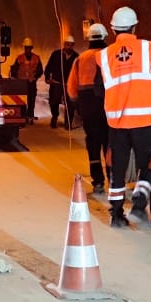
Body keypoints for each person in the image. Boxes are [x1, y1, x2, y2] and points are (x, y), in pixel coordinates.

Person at [91, 6, 151, 228]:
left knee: (117, 168)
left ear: (113, 29)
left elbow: (97, 89)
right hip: (145, 121)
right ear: (135, 27)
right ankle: (140, 202)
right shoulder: (147, 49)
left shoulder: (104, 56)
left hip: (117, 123)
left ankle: (116, 214)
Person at [66, 22, 112, 191]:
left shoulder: (80, 59)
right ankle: (113, 179)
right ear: (105, 36)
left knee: (93, 143)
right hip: (109, 107)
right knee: (109, 143)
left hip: (88, 108)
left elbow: (71, 88)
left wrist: (78, 106)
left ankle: (98, 182)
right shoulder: (110, 55)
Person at [42, 35, 79, 129]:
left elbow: (79, 71)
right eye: (67, 45)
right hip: (56, 82)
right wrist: (47, 76)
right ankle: (54, 117)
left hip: (69, 84)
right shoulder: (56, 54)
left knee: (70, 104)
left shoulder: (76, 57)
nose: (69, 47)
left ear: (73, 45)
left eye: (71, 45)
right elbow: (49, 66)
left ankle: (68, 123)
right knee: (54, 101)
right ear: (64, 45)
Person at [8, 38, 44, 122]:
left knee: (31, 99)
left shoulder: (36, 58)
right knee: (22, 100)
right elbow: (14, 69)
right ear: (24, 48)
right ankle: (23, 115)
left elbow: (40, 70)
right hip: (22, 83)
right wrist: (15, 77)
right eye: (26, 47)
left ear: (31, 48)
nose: (27, 49)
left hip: (32, 82)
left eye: (29, 47)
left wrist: (35, 76)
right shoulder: (19, 58)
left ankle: (30, 115)